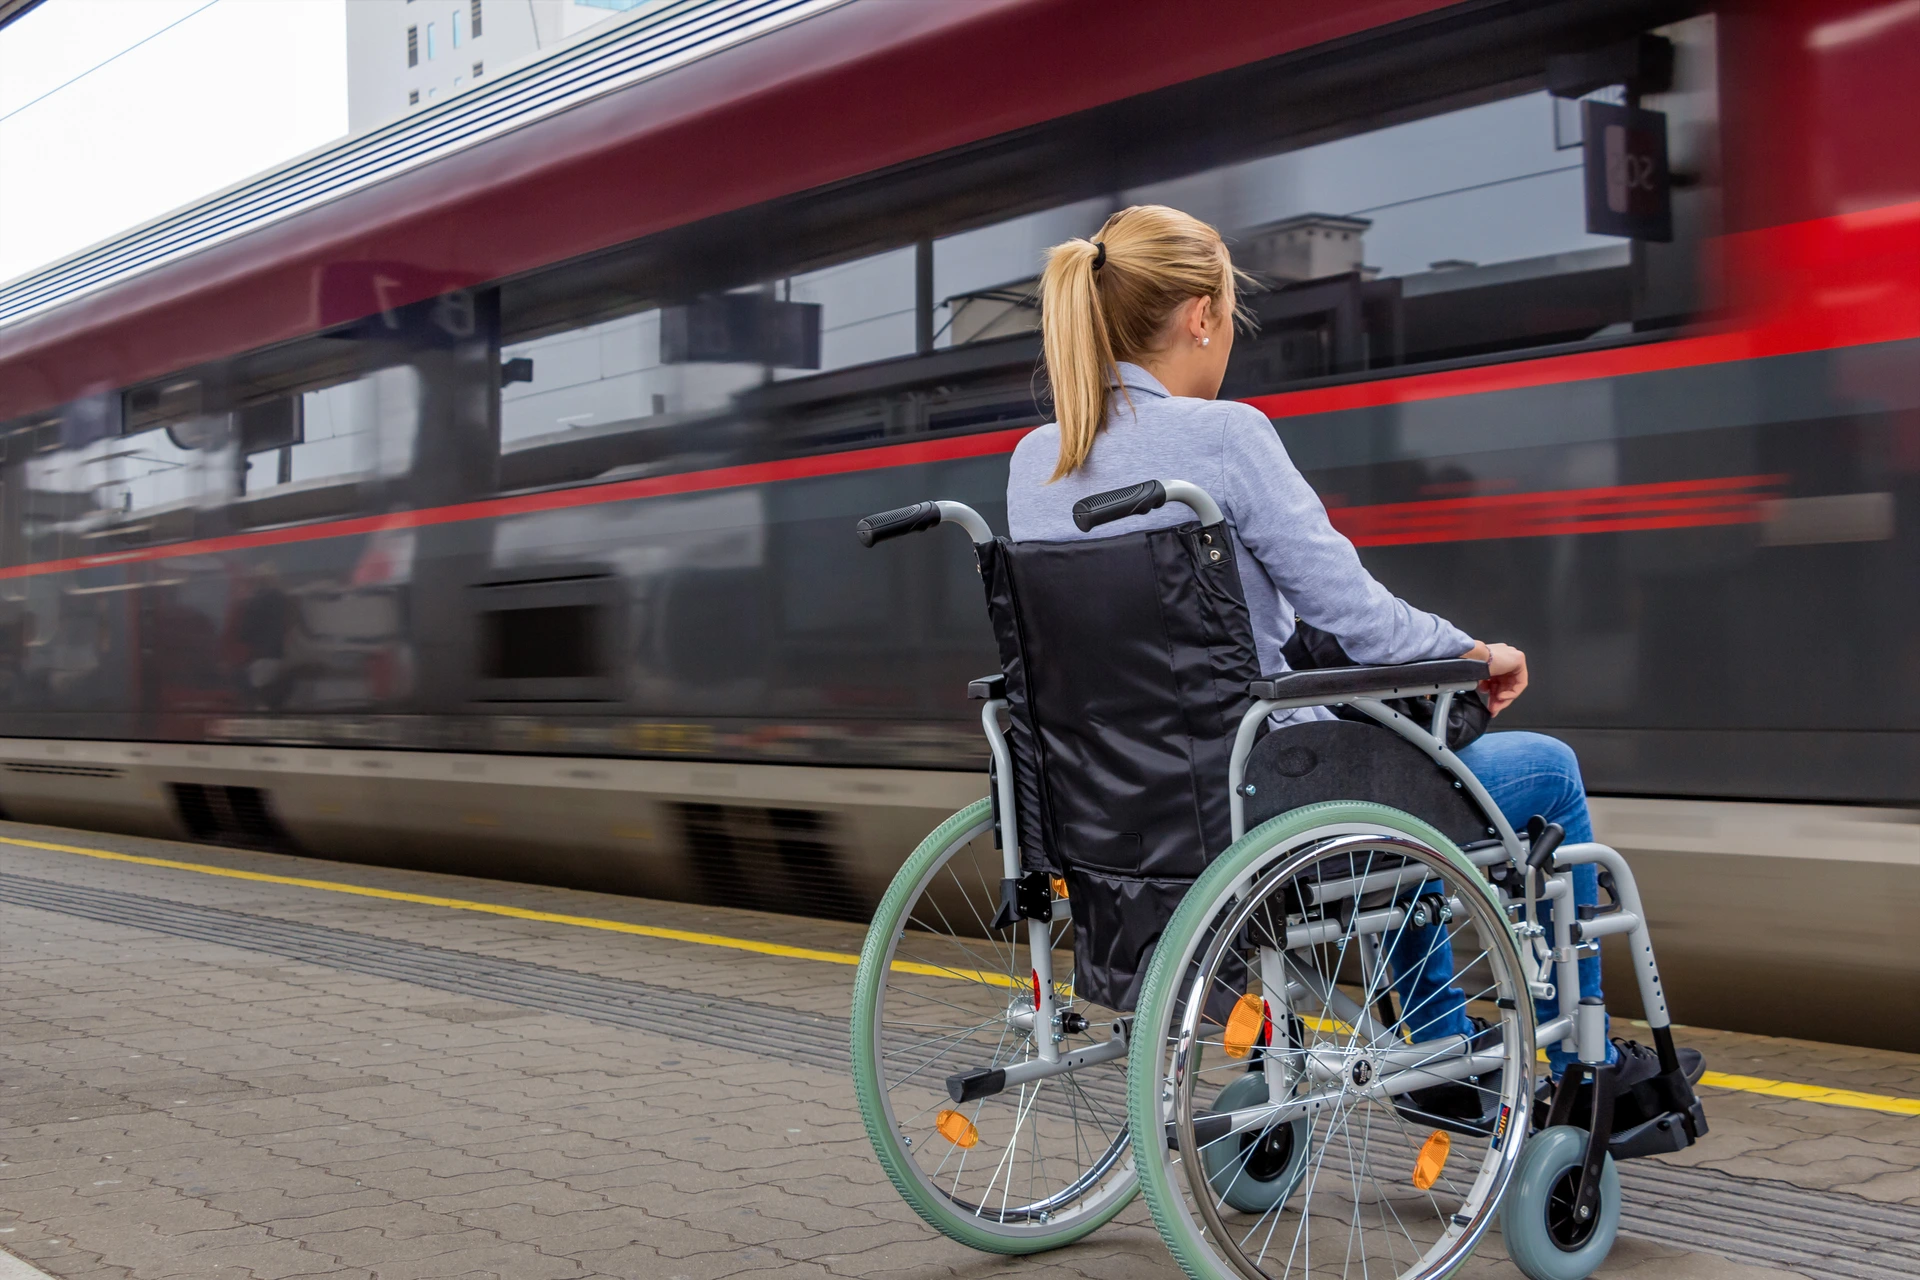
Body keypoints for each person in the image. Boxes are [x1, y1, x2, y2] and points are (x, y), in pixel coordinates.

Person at [1004, 204, 1701, 1118]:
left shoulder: (1033, 461)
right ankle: (1582, 1068)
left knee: (1403, 785)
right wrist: (1470, 653)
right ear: (1202, 315)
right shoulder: (1225, 436)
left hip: (1114, 818)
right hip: (1259, 801)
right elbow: (1357, 619)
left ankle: (1443, 1046)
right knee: (1537, 773)